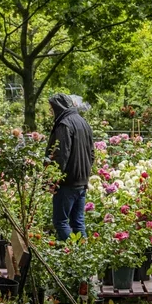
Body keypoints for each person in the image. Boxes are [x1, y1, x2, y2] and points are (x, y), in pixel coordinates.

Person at [46, 94, 94, 241]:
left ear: (58, 107)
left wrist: (53, 180)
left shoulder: (64, 124)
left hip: (67, 182)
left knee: (60, 222)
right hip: (81, 180)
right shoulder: (83, 122)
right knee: (78, 223)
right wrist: (85, 173)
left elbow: (61, 155)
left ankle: (72, 254)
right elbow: (91, 153)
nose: (50, 112)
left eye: (51, 109)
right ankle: (84, 259)